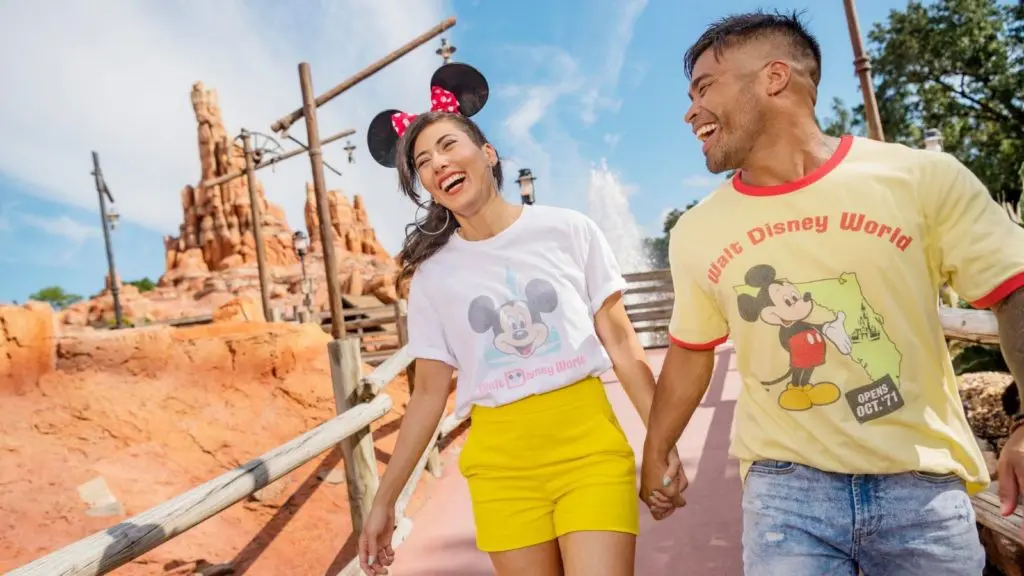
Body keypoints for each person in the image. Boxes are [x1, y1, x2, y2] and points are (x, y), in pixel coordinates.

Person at [639, 9, 1024, 575]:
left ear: (774, 78)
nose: (690, 110)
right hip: (784, 491)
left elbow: (1012, 291)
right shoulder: (696, 231)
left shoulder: (921, 178)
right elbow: (691, 354)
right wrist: (654, 451)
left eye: (703, 87)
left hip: (921, 483)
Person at [356, 61, 683, 576]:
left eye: (447, 145)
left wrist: (662, 444)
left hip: (588, 447)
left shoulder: (568, 230)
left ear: (487, 154)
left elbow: (623, 345)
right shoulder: (432, 278)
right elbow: (427, 395)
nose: (437, 163)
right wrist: (385, 502)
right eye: (422, 161)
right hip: (501, 467)